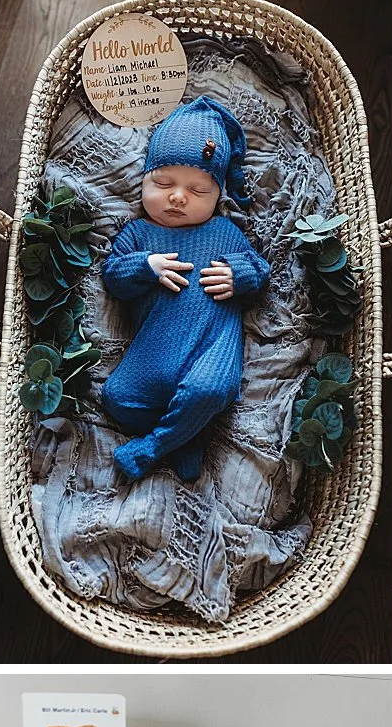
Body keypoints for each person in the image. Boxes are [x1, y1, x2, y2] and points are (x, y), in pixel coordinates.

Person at [99, 96, 270, 482]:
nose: (178, 196)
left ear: (218, 197)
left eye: (198, 190)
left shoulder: (225, 232)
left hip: (210, 348)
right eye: (163, 183)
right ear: (144, 180)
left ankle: (153, 447)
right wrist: (146, 265)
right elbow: (113, 277)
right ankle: (187, 434)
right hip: (154, 350)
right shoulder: (138, 233)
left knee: (208, 391)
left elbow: (261, 271)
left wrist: (238, 274)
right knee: (116, 398)